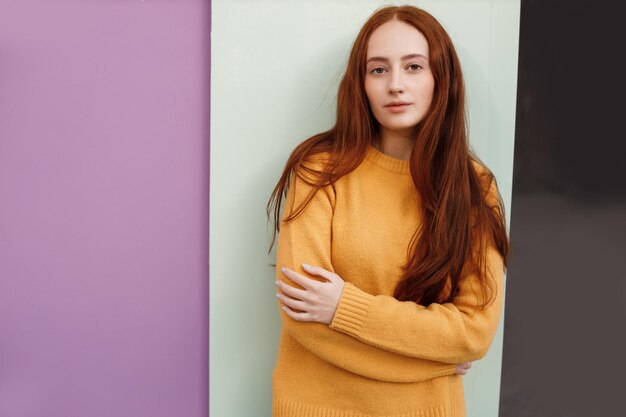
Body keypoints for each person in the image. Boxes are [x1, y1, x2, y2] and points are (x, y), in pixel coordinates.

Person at [266, 4, 509, 417]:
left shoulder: (473, 186)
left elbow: (473, 333)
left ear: (440, 78)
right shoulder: (319, 171)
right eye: (378, 70)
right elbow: (304, 320)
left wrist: (344, 307)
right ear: (360, 84)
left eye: (414, 67)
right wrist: (437, 359)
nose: (395, 84)